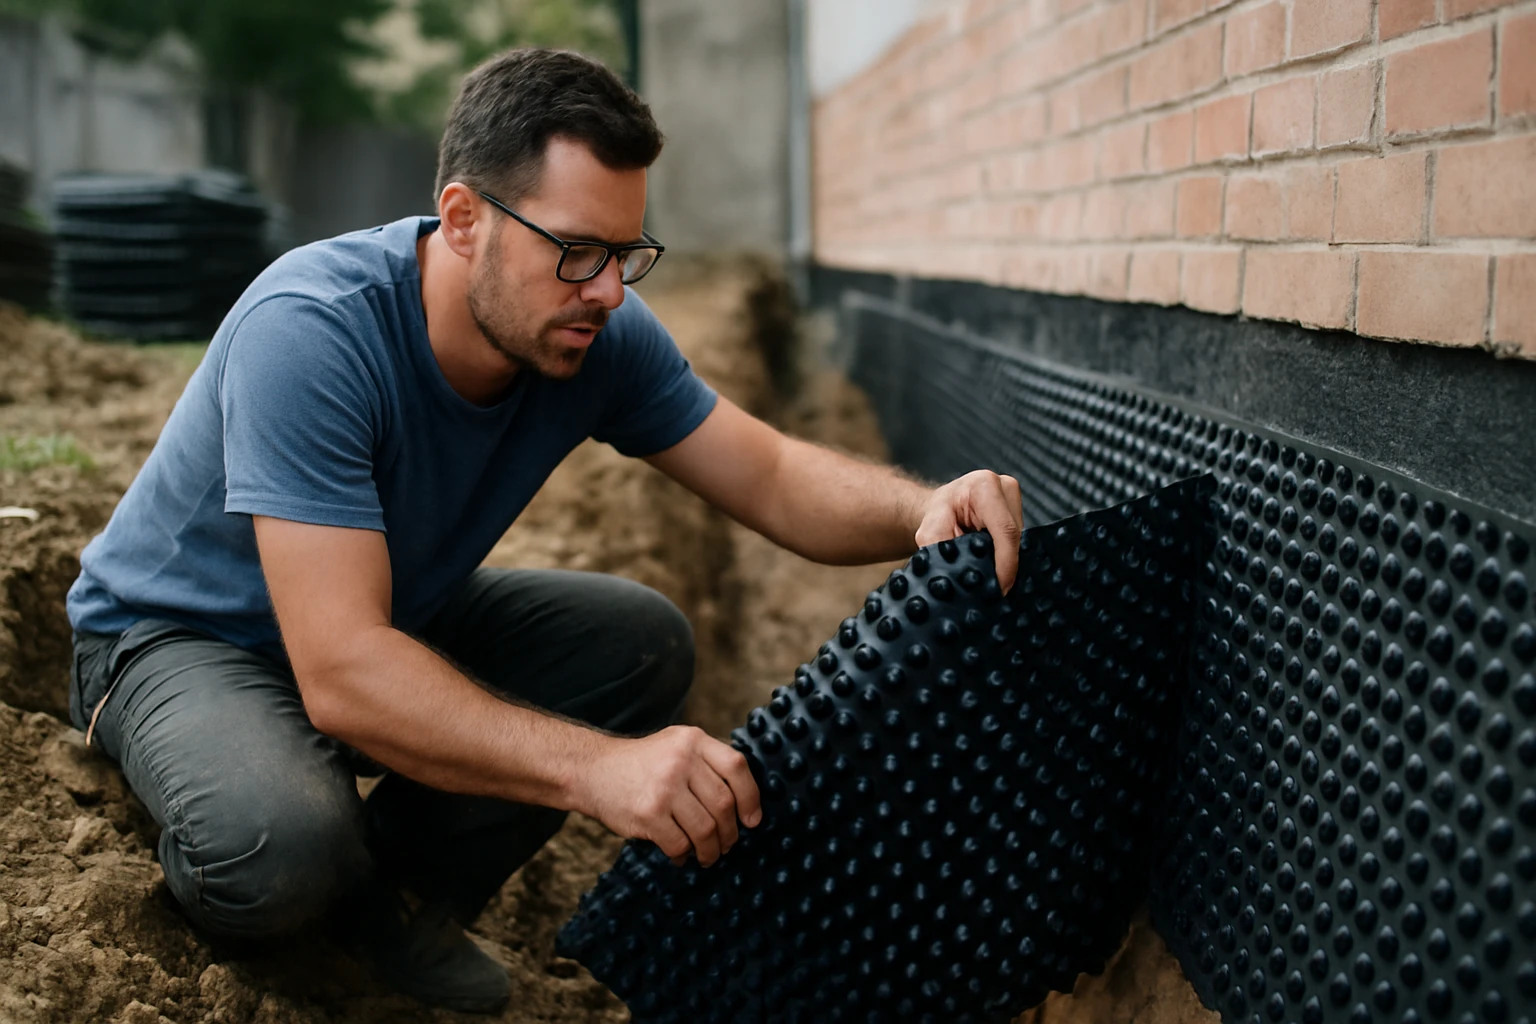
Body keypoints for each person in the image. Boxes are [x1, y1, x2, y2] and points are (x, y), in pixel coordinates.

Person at [64, 47, 1024, 1014]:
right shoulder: (312, 331)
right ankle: (283, 865)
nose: (607, 289)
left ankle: (397, 902)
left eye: (626, 255)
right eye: (576, 250)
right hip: (178, 637)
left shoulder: (592, 330)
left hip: (378, 611)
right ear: (463, 219)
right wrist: (598, 770)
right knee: (280, 844)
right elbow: (345, 671)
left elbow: (770, 474)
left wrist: (919, 509)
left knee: (635, 641)